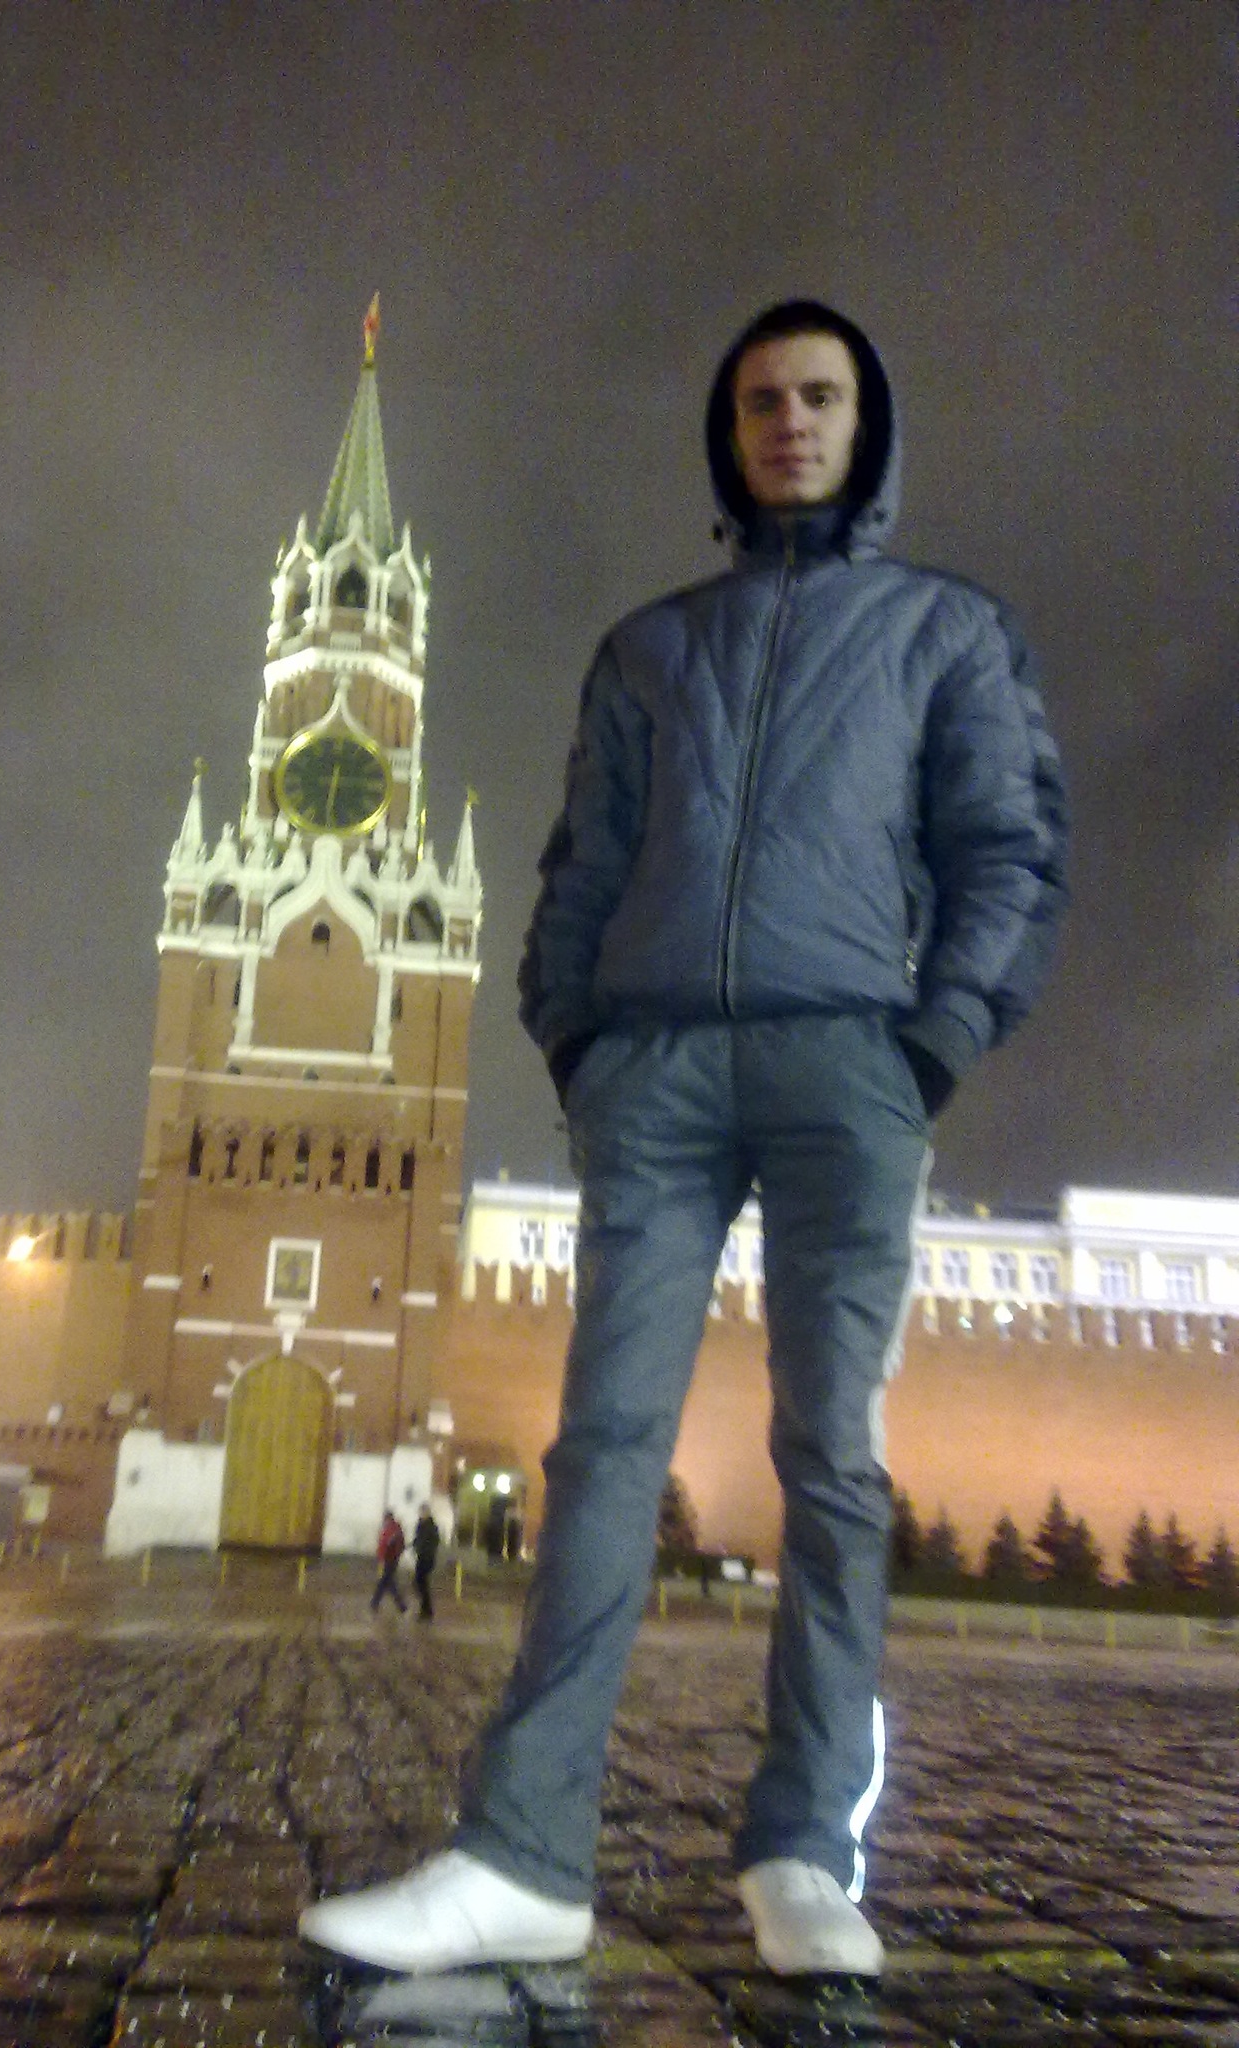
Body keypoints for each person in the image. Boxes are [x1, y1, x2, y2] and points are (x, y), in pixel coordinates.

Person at [300, 298, 1068, 1975]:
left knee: (832, 1459)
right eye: (759, 399)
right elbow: (584, 861)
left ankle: (803, 1849)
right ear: (726, 435)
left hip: (846, 1065)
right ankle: (522, 1854)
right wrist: (579, 1038)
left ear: (867, 423)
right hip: (652, 1073)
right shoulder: (650, 649)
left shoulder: (945, 631)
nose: (789, 420)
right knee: (601, 1448)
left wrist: (930, 1042)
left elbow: (1009, 850)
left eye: (819, 395)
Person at [370, 1509, 409, 1614]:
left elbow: (389, 1544)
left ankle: (376, 1603)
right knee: (387, 1582)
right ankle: (399, 1605)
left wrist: (385, 1555)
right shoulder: (391, 1528)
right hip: (388, 1559)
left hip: (389, 1559)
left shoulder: (393, 1529)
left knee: (385, 1582)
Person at [411, 1504, 441, 1621]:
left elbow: (434, 1542)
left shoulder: (431, 1527)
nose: (421, 1514)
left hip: (427, 1558)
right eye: (420, 1512)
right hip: (421, 1557)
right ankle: (427, 1610)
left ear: (427, 1513)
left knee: (421, 1583)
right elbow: (418, 1539)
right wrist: (414, 1545)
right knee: (420, 1583)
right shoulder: (420, 1525)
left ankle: (426, 1610)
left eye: (423, 1512)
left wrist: (425, 1549)